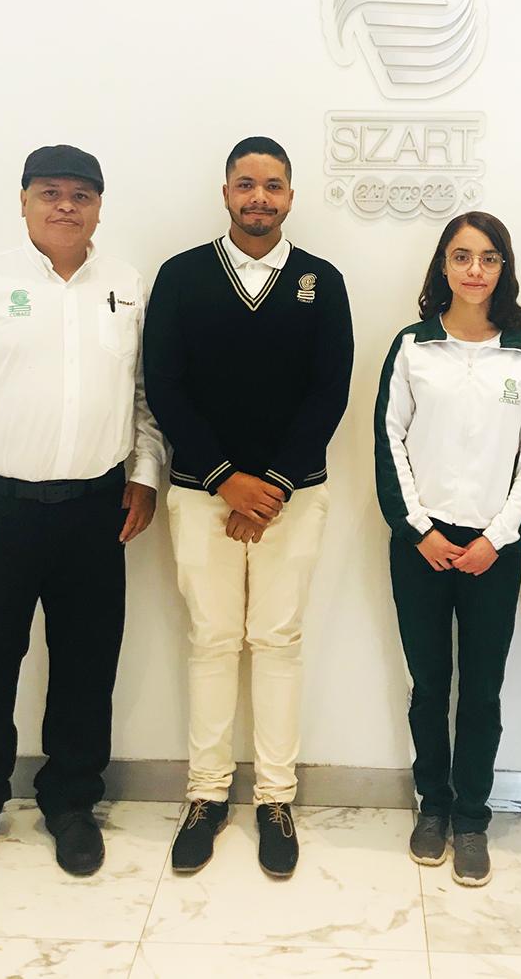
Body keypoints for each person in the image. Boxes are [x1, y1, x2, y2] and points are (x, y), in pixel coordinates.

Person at [0, 144, 164, 889]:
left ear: (99, 208)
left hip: (95, 511)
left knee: (88, 664)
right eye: (50, 192)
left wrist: (144, 475)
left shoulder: (126, 286)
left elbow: (146, 395)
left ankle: (72, 802)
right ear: (22, 201)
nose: (65, 206)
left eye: (81, 195)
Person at [143, 135, 353, 879]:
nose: (259, 196)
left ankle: (275, 799)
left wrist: (272, 488)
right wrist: (227, 480)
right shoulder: (182, 276)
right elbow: (165, 385)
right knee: (212, 639)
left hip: (294, 496)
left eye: (272, 185)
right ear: (225, 192)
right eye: (246, 183)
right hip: (203, 492)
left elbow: (330, 391)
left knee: (276, 641)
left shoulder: (321, 281)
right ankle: (205, 794)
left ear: (291, 195)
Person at [374, 212, 521, 887]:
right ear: (442, 266)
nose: (475, 270)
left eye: (488, 258)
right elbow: (389, 438)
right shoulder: (413, 346)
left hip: (491, 553)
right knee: (428, 687)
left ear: (504, 267)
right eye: (461, 256)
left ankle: (472, 817)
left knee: (481, 690)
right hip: (421, 547)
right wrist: (418, 528)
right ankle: (434, 806)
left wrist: (497, 538)